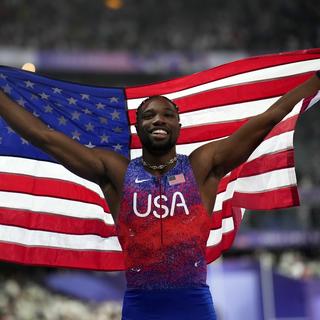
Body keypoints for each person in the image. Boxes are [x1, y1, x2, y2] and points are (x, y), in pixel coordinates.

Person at [0, 71, 320, 320]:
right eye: (149, 115)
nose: (158, 120)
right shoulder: (116, 172)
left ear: (178, 125)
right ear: (138, 127)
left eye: (166, 114)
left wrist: (315, 82)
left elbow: (269, 117)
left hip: (193, 304)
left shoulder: (202, 166)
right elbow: (44, 137)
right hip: (141, 307)